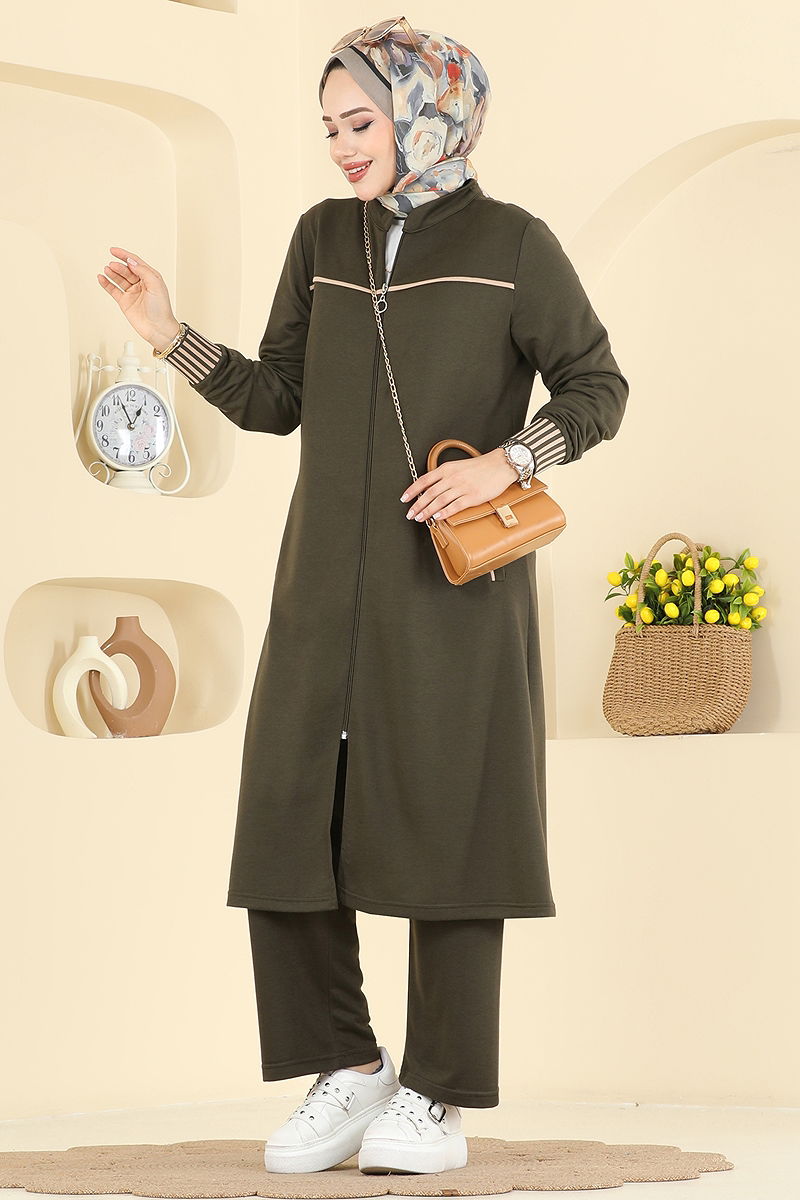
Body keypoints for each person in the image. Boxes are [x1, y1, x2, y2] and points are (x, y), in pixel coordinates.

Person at [97, 17, 629, 1179]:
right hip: (318, 591)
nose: (341, 147)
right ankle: (347, 1069)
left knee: (454, 825)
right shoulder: (319, 236)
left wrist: (508, 462)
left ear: (425, 115)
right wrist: (169, 337)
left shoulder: (511, 243)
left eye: (360, 122)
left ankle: (435, 1094)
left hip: (450, 597)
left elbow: (596, 386)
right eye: (329, 127)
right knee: (286, 816)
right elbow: (277, 400)